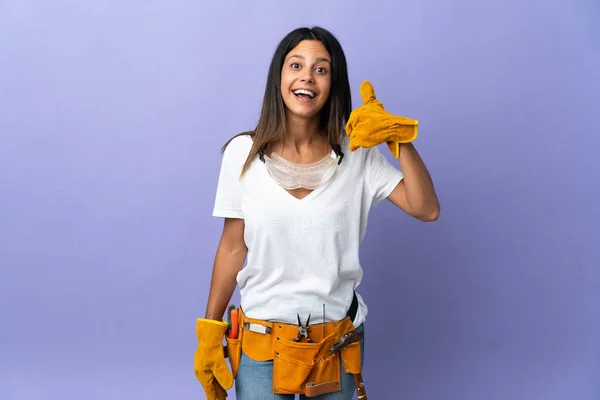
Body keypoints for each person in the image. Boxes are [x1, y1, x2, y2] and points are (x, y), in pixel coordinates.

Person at [194, 26, 440, 400]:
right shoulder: (241, 154)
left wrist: (398, 140)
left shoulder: (359, 154)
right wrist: (210, 328)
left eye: (320, 69)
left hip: (335, 344)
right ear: (280, 76)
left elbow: (426, 209)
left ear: (332, 83)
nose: (307, 76)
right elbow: (232, 246)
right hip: (260, 341)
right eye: (296, 65)